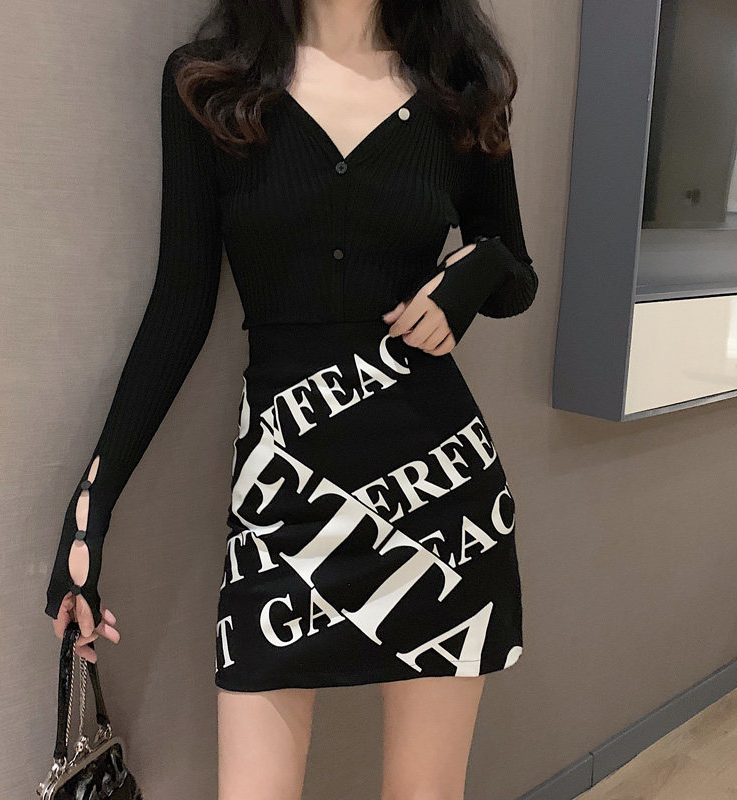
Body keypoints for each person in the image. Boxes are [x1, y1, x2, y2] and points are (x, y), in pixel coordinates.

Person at [44, 0, 538, 796]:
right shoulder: (212, 86)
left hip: (439, 501)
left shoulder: (458, 86)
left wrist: (476, 270)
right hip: (282, 498)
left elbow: (516, 271)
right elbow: (179, 308)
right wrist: (87, 513)